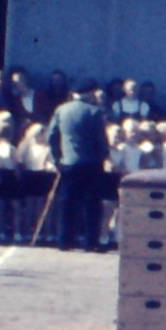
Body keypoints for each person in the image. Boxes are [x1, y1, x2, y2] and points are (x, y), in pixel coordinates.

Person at [47, 81, 108, 251]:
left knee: (67, 203)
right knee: (91, 204)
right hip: (91, 163)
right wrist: (103, 155)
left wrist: (57, 158)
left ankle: (64, 240)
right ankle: (91, 242)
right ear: (88, 93)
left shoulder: (61, 110)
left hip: (69, 162)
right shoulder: (94, 112)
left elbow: (51, 136)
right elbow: (101, 140)